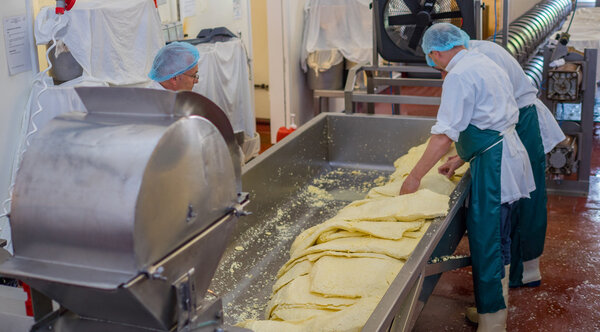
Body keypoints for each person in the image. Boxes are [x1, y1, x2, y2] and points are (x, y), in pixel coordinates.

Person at [399, 23, 535, 331]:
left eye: (430, 59)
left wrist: (414, 178)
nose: (433, 65)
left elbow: (443, 136)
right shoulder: (481, 60)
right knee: (498, 239)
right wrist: (462, 156)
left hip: (495, 166)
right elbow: (489, 117)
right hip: (502, 152)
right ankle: (493, 311)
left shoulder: (458, 75)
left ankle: (492, 323)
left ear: (434, 53)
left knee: (488, 241)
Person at [468, 39, 565, 289]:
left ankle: (524, 271)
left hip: (520, 121)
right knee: (522, 195)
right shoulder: (473, 51)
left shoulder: (479, 59)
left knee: (525, 197)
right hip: (516, 117)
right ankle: (519, 268)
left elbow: (492, 110)